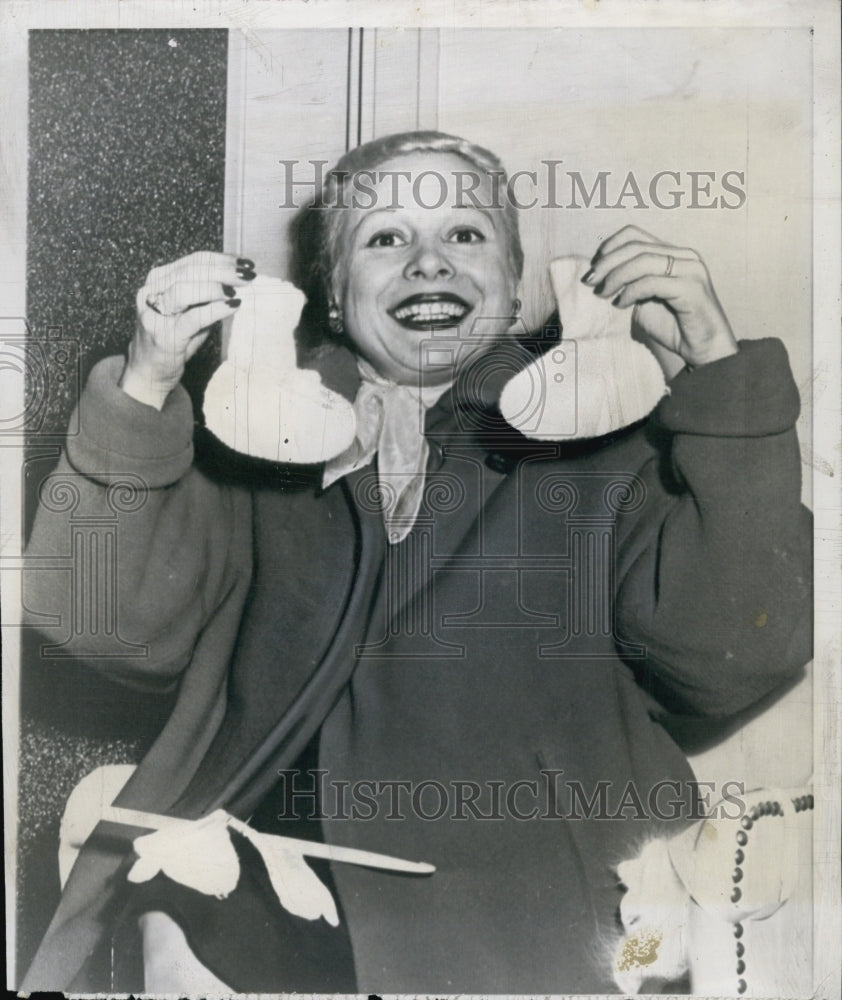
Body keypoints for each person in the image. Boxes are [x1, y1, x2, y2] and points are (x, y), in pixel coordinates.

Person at [21, 130, 812, 993]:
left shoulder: (611, 448)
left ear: (516, 286)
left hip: (541, 919)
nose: (428, 262)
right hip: (252, 900)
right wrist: (144, 389)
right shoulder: (248, 446)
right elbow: (99, 627)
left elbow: (738, 654)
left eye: (465, 236)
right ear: (328, 293)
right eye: (385, 238)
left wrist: (718, 376)